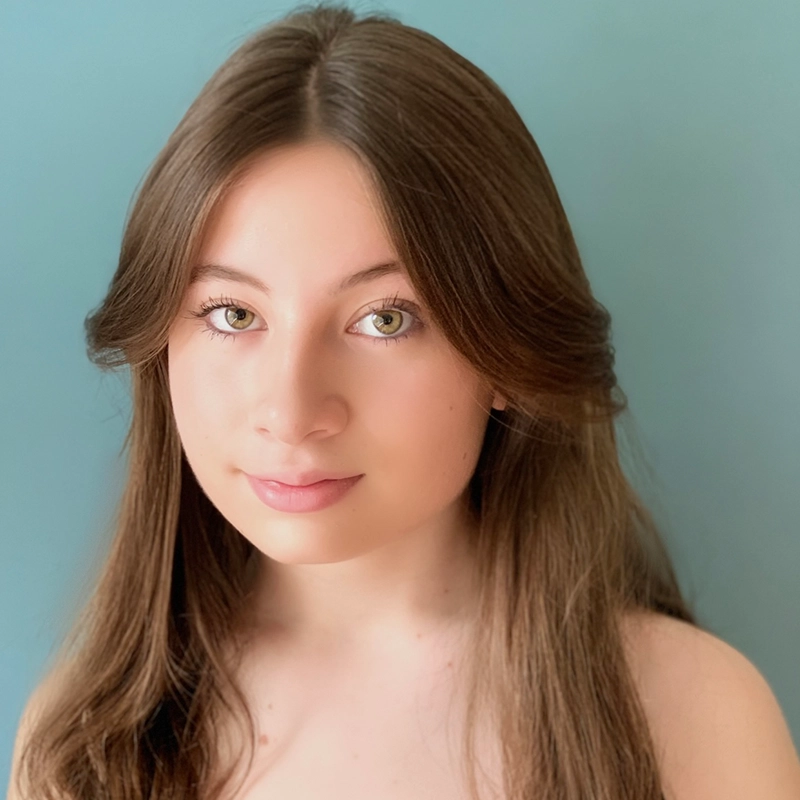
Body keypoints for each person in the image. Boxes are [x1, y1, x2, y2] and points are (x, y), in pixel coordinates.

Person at [8, 3, 800, 799]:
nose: (290, 411)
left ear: (505, 355)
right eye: (232, 315)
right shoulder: (81, 744)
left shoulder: (690, 719)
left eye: (384, 320)